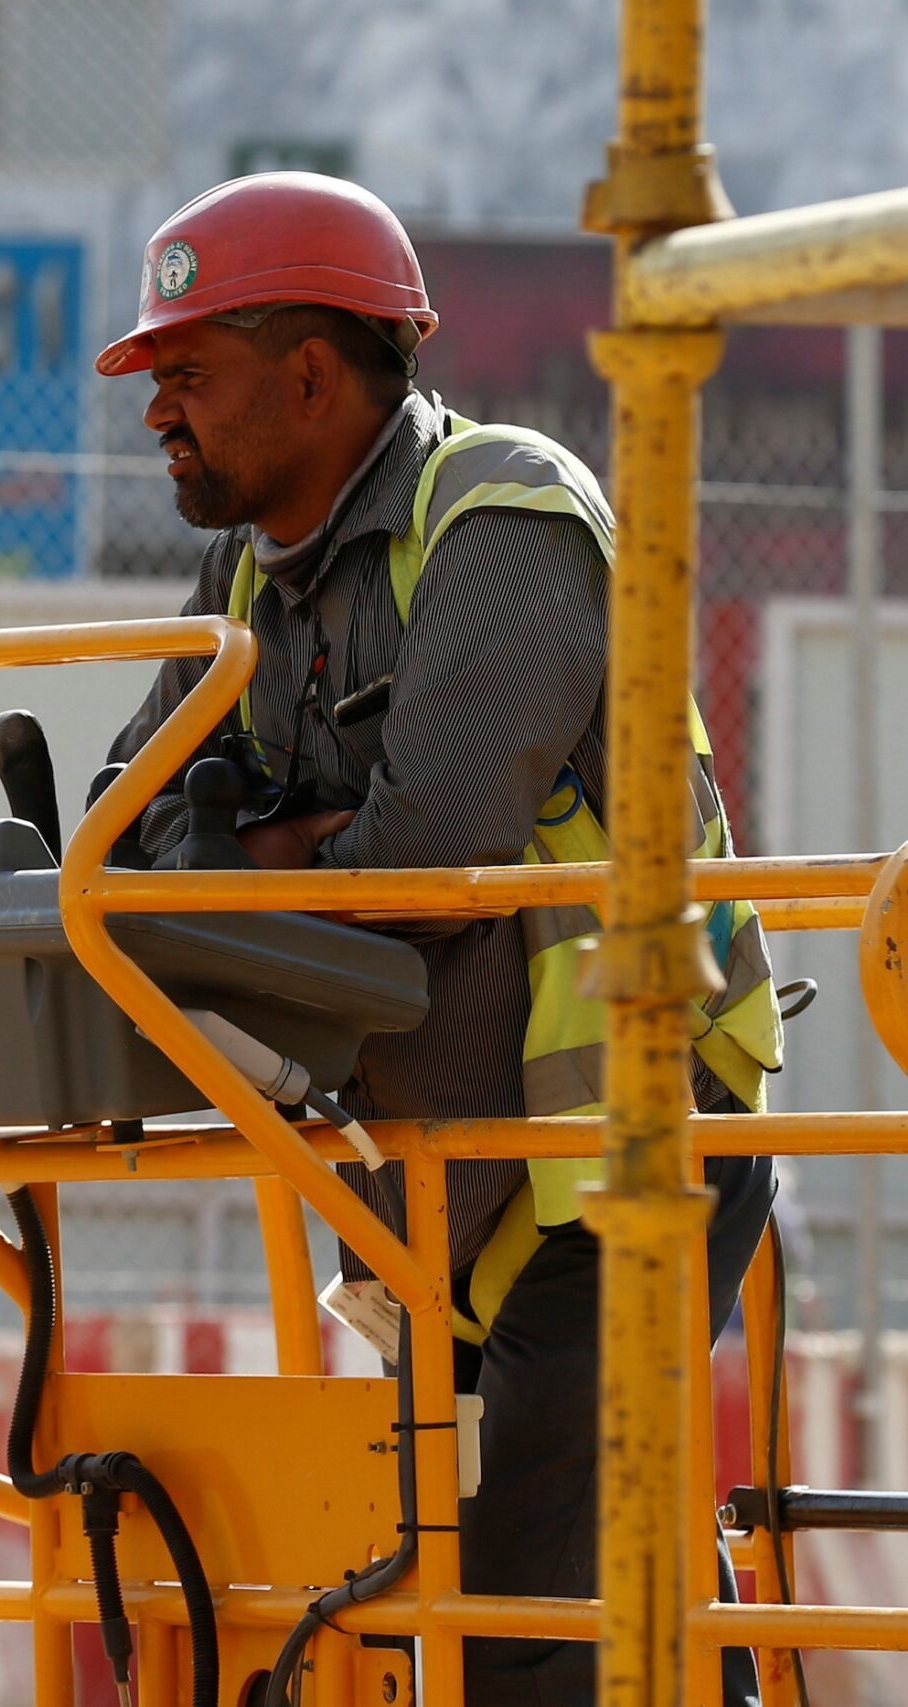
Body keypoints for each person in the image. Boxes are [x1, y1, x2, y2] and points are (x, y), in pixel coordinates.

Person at [97, 172, 782, 1704]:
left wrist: (252, 848)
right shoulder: (247, 577)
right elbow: (116, 830)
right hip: (447, 1178)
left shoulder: (508, 520)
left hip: (622, 1141)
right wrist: (266, 849)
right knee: (498, 1585)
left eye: (187, 377)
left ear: (314, 375)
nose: (161, 417)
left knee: (535, 1620)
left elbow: (431, 852)